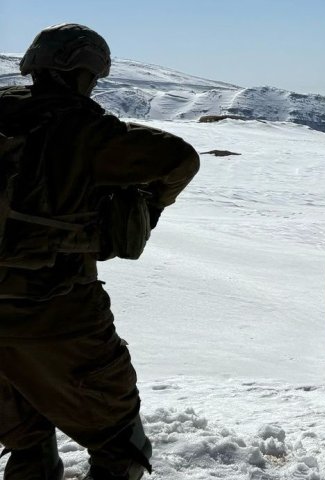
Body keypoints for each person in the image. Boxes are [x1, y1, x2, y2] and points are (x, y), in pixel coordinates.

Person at [0, 23, 200, 480]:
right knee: (122, 448)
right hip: (58, 313)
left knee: (29, 444)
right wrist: (144, 208)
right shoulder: (86, 131)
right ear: (86, 73)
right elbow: (180, 159)